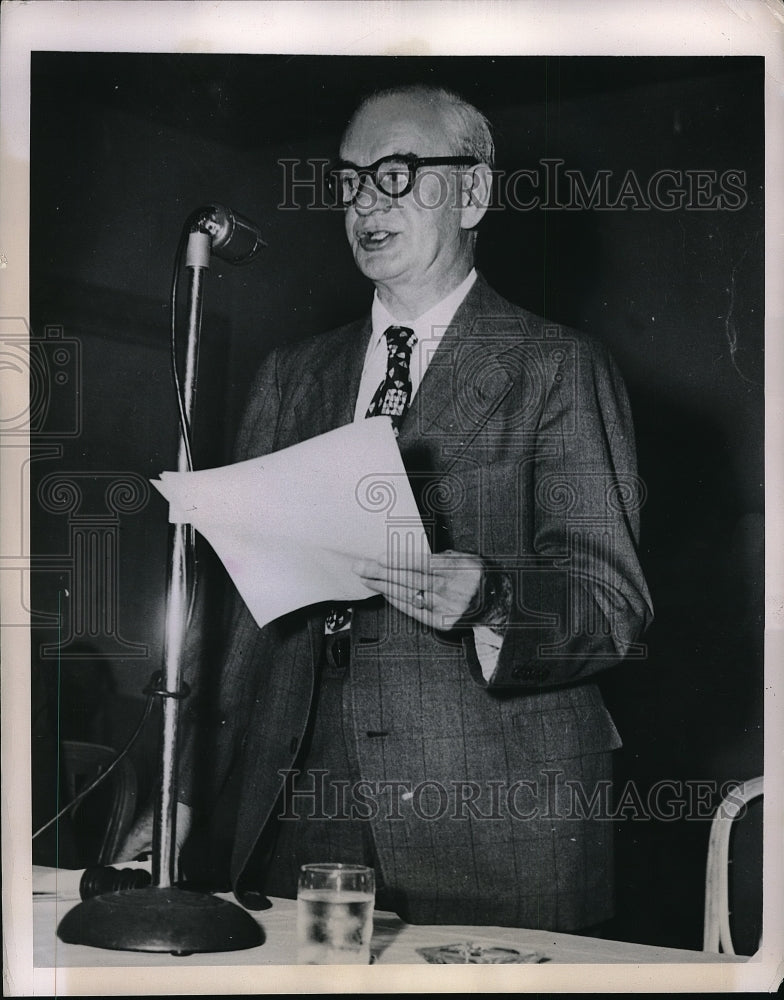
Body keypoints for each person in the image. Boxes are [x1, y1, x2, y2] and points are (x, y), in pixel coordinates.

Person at [125, 84, 653, 932]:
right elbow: (229, 618)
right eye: (351, 180)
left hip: (493, 817)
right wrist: (177, 794)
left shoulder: (558, 367)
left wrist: (492, 598)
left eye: (397, 173)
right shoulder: (292, 375)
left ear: (472, 193)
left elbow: (613, 607)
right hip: (299, 801)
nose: (366, 202)